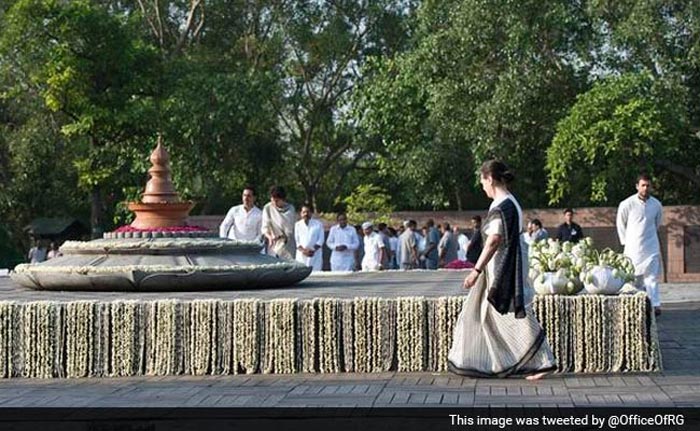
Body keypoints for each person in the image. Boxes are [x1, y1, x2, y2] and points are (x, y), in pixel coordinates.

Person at [448, 160, 556, 380]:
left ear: (490, 178)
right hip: (502, 263)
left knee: (514, 309)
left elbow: (494, 240)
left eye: (482, 182)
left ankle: (543, 361)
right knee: (484, 313)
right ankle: (487, 360)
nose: (482, 187)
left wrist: (476, 270)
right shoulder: (506, 202)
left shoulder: (504, 204)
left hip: (504, 264)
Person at [616, 174, 664, 316]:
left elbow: (657, 223)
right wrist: (626, 241)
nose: (645, 188)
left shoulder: (656, 205)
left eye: (648, 185)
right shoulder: (627, 204)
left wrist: (649, 236)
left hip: (651, 246)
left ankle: (655, 305)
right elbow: (621, 224)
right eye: (643, 185)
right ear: (637, 186)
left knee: (651, 277)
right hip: (633, 247)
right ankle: (634, 306)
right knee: (634, 278)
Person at [261, 185, 296, 260]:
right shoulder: (267, 208)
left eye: (277, 201)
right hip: (273, 244)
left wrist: (282, 237)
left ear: (283, 199)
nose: (274, 203)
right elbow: (265, 226)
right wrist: (270, 237)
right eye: (272, 200)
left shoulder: (290, 209)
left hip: (287, 245)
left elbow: (289, 229)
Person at [294, 204, 325, 271]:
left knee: (316, 275)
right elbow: (297, 241)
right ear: (300, 213)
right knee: (301, 275)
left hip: (315, 255)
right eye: (304, 212)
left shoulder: (318, 224)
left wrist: (312, 250)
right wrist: (304, 251)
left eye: (308, 212)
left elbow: (321, 240)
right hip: (301, 256)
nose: (306, 214)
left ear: (311, 213)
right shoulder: (297, 225)